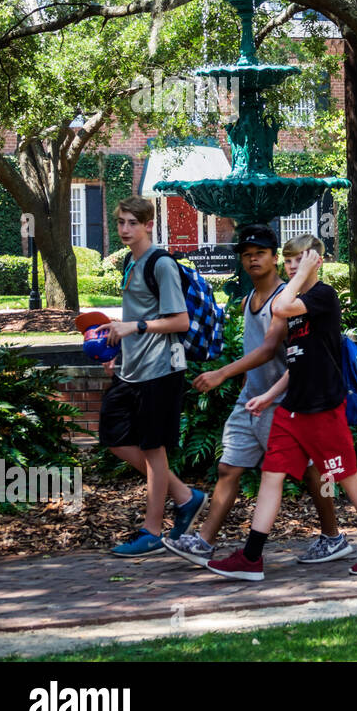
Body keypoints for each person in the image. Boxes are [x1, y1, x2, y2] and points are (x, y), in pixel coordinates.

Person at [204, 235, 357, 580]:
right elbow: (297, 361)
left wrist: (302, 275)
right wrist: (268, 396)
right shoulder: (296, 301)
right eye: (289, 260)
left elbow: (279, 307)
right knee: (271, 476)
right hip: (291, 407)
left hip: (323, 407)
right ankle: (251, 557)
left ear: (317, 262)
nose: (293, 266)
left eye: (301, 260)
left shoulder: (322, 296)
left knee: (346, 475)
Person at [164, 225, 351, 566]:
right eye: (247, 255)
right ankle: (204, 542)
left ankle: (332, 535)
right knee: (228, 467)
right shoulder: (251, 298)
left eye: (260, 253)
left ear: (275, 258)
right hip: (251, 398)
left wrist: (222, 373)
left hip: (285, 401)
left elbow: (268, 350)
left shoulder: (288, 298)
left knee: (313, 472)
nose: (252, 260)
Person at [98, 197, 207, 556]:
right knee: (114, 437)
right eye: (120, 223)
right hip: (131, 369)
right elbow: (134, 316)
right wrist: (117, 350)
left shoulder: (161, 264)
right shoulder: (130, 261)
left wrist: (136, 327)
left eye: (132, 223)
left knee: (152, 449)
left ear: (148, 225)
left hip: (161, 370)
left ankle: (152, 531)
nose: (125, 229)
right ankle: (185, 496)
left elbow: (180, 321)